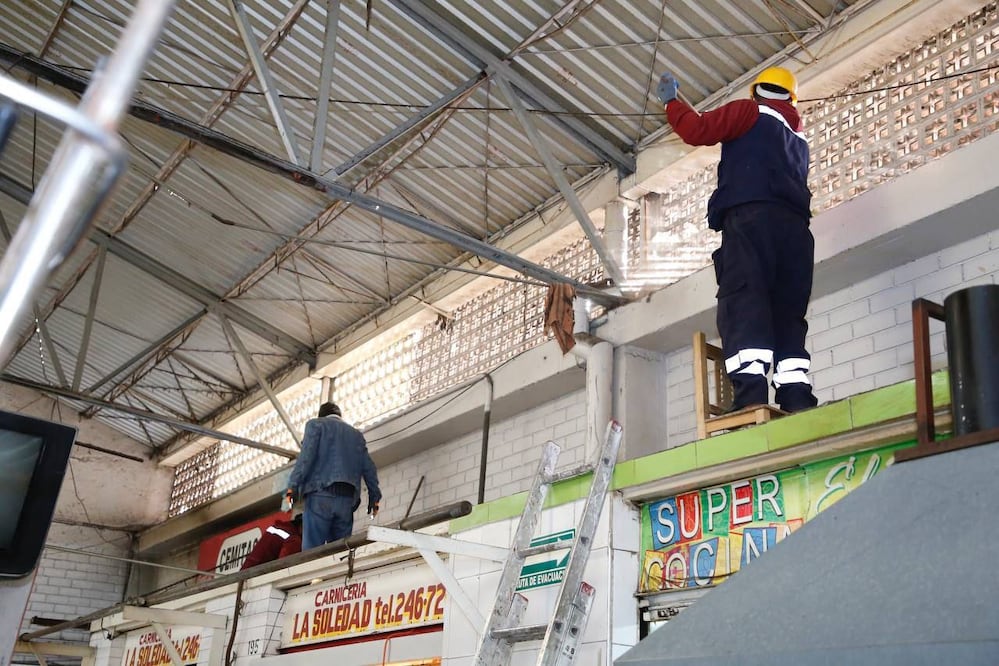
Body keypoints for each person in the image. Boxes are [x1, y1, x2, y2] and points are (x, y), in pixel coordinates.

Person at [656, 66, 819, 414]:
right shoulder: (798, 137)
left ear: (756, 90)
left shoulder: (749, 111)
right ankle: (796, 397)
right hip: (796, 234)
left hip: (752, 221)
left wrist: (672, 103)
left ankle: (751, 398)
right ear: (791, 97)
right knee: (788, 311)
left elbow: (697, 130)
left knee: (745, 300)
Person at [287, 401, 382, 549]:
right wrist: (374, 498)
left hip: (320, 496)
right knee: (339, 552)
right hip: (346, 501)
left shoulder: (316, 425)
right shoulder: (356, 435)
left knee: (312, 552)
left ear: (321, 415)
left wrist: (292, 486)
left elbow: (306, 457)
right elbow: (369, 468)